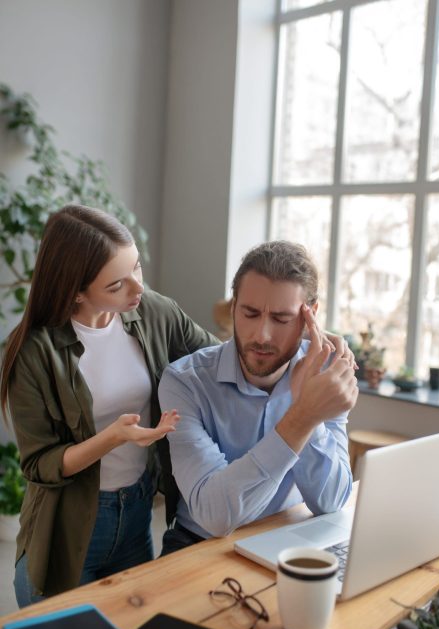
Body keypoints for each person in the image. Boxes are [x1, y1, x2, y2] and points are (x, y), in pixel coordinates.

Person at [0, 204, 219, 607]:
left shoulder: (153, 312)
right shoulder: (34, 352)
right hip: (67, 529)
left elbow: (218, 359)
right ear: (76, 291)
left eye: (136, 267)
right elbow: (40, 465)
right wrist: (112, 438)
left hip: (136, 516)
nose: (138, 288)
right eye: (117, 285)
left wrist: (301, 347)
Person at [158, 240, 358, 554]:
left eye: (281, 319)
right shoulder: (184, 382)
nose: (262, 335)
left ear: (311, 317)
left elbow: (330, 501)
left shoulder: (327, 373)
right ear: (234, 305)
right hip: (199, 544)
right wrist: (303, 414)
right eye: (250, 313)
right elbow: (214, 516)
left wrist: (311, 406)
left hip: (287, 537)